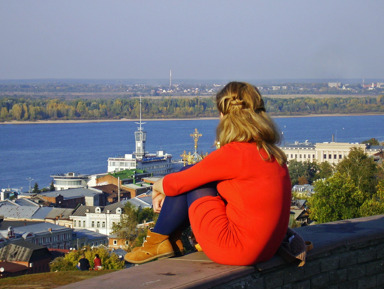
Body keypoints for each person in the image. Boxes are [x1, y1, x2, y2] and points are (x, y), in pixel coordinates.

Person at [124, 81, 292, 266]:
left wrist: (157, 187)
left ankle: (158, 241)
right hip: (267, 250)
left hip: (235, 250)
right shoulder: (270, 153)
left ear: (224, 116)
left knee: (193, 178)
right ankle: (169, 240)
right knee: (194, 175)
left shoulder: (235, 154)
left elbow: (177, 183)